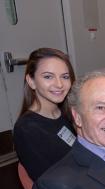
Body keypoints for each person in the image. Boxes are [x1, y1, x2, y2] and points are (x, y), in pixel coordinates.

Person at [13, 47, 76, 181]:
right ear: (31, 81)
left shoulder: (66, 113)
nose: (59, 84)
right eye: (48, 76)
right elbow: (51, 184)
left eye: (65, 77)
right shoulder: (27, 129)